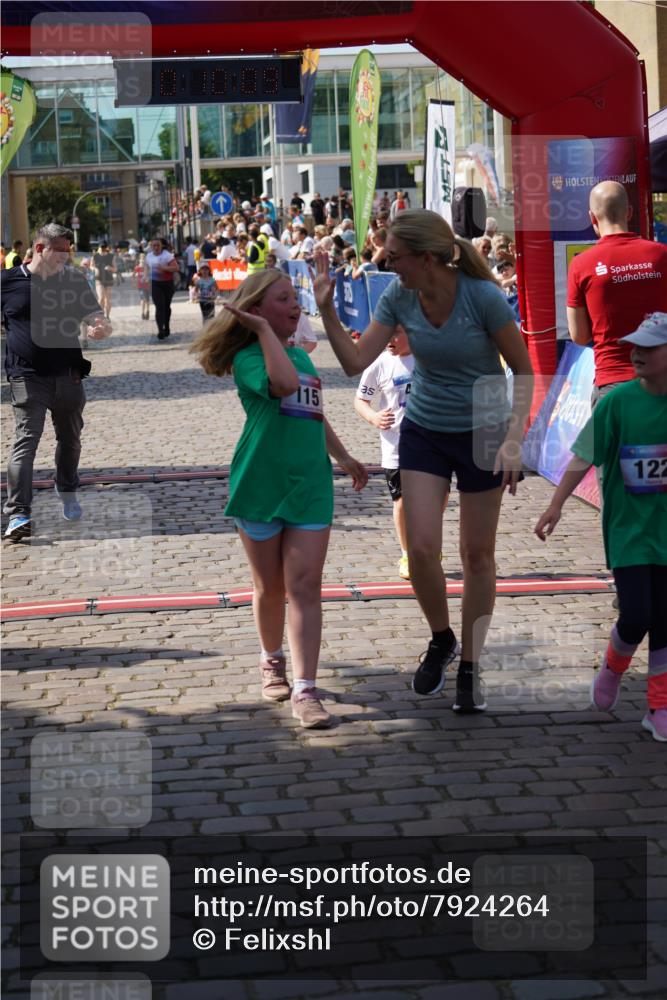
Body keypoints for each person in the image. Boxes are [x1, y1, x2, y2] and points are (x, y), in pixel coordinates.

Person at [313, 208, 534, 713]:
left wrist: (515, 438)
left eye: (395, 256)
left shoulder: (481, 297)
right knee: (420, 551)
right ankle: (442, 638)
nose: (387, 263)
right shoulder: (398, 295)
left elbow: (521, 367)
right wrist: (326, 309)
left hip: (484, 425)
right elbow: (353, 363)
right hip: (426, 429)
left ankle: (472, 666)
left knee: (477, 556)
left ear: (428, 258)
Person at [189, 269, 367, 728]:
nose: (294, 305)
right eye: (283, 298)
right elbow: (283, 385)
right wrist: (266, 334)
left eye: (295, 297)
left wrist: (344, 457)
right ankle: (272, 659)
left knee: (305, 586)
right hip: (261, 483)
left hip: (310, 483)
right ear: (256, 311)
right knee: (270, 588)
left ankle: (306, 691)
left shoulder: (303, 360)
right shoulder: (251, 358)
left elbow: (311, 412)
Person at [535, 312, 667, 742]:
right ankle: (613, 667)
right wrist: (555, 504)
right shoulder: (616, 401)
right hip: (629, 530)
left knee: (665, 619)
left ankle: (659, 706)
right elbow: (582, 456)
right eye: (635, 345)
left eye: (649, 346)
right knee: (637, 615)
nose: (637, 353)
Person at [2, 224, 112, 541]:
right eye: (61, 251)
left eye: (69, 251)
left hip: (69, 376)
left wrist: (99, 327)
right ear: (40, 249)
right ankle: (18, 513)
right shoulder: (7, 283)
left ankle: (66, 489)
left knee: (71, 440)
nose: (66, 257)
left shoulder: (74, 281)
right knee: (25, 443)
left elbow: (95, 315)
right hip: (26, 377)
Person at [567, 180, 667, 402]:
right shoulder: (662, 255)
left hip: (612, 385)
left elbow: (579, 336)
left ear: (592, 217)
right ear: (629, 212)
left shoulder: (581, 264)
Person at [354, 325, 420, 579]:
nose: (389, 340)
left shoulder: (429, 358)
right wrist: (373, 417)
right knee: (402, 502)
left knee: (438, 499)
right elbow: (360, 400)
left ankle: (428, 545)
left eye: (396, 334)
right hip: (396, 445)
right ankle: (407, 553)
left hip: (431, 443)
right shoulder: (379, 364)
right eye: (386, 335)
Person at [144, 237, 179, 340]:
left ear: (161, 246)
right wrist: (145, 276)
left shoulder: (167, 256)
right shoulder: (149, 256)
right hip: (155, 284)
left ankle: (167, 327)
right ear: (151, 247)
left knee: (166, 306)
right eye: (153, 245)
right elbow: (146, 266)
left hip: (168, 284)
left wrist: (164, 268)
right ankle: (160, 330)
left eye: (158, 245)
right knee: (159, 306)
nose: (156, 247)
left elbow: (176, 268)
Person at [92, 242, 116, 319]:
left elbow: (115, 269)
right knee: (101, 297)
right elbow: (91, 266)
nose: (102, 250)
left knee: (107, 300)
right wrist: (95, 269)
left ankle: (107, 316)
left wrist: (110, 268)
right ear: (98, 248)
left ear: (106, 248)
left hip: (109, 279)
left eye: (103, 248)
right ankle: (100, 315)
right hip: (99, 279)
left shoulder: (111, 256)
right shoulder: (95, 256)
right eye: (100, 248)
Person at [134, 253, 150, 321]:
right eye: (141, 259)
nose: (142, 261)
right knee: (143, 299)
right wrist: (136, 276)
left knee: (147, 300)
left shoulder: (148, 267)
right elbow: (134, 276)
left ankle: (147, 311)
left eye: (144, 259)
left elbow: (151, 275)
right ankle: (142, 313)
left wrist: (148, 278)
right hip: (140, 286)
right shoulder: (137, 268)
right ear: (139, 260)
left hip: (147, 286)